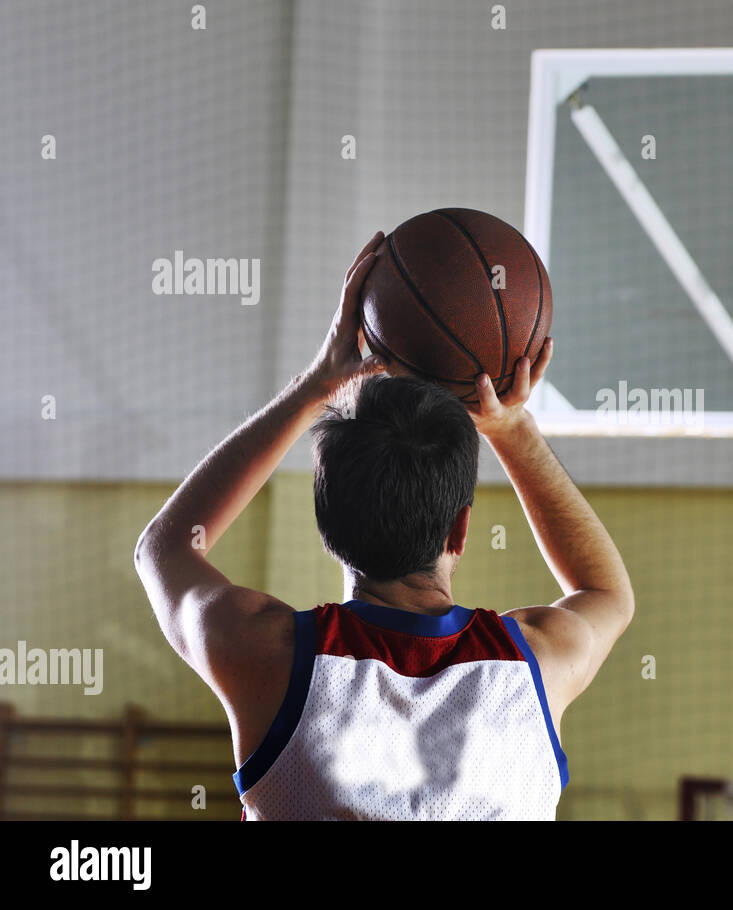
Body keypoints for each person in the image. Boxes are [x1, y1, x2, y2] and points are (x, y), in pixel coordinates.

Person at [134, 231, 634, 819]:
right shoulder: (537, 665)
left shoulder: (266, 654)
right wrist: (511, 427)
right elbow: (606, 593)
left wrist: (316, 384)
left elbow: (164, 549)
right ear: (460, 531)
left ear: (326, 523)